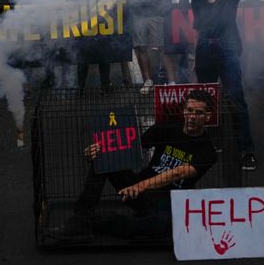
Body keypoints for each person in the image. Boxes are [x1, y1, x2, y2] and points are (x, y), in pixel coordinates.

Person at [46, 90, 218, 241]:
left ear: (208, 116)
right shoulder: (167, 127)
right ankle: (80, 221)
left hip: (168, 203)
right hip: (140, 192)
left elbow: (179, 173)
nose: (192, 116)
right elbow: (131, 146)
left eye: (199, 113)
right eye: (189, 111)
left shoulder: (207, 150)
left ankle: (103, 221)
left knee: (162, 226)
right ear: (183, 111)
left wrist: (140, 186)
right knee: (104, 158)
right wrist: (98, 150)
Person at [191, 0, 264, 171]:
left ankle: (247, 151)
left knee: (236, 99)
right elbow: (199, 30)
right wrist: (195, 56)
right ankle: (211, 143)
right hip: (204, 49)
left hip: (228, 48)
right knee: (206, 98)